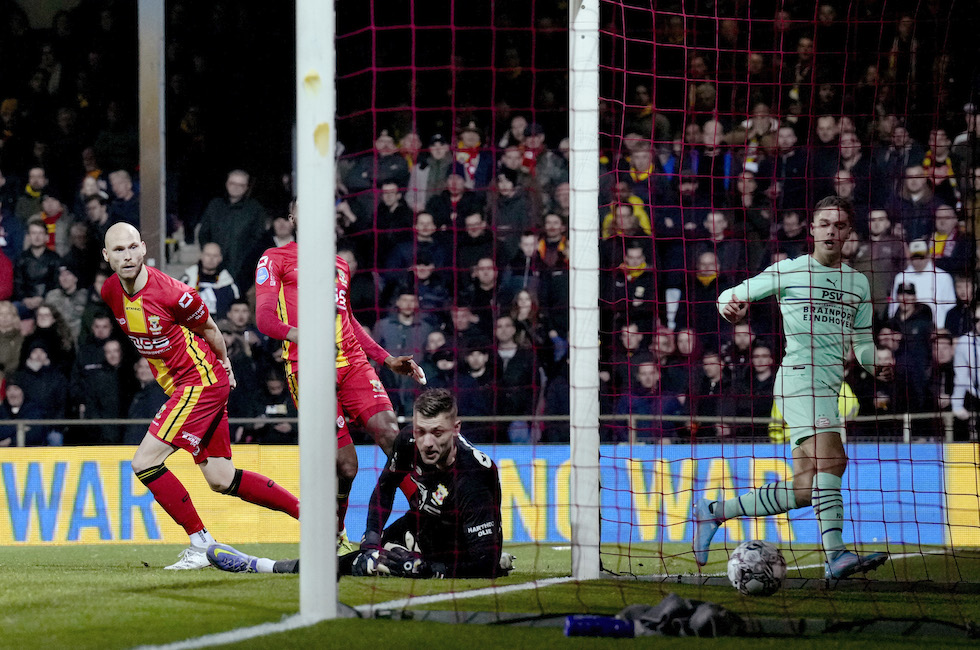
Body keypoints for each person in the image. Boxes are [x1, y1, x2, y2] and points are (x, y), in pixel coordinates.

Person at [694, 196, 890, 580]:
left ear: (849, 232)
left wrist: (876, 364)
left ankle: (714, 512)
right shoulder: (790, 270)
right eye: (824, 224)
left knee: (804, 489)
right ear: (812, 229)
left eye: (839, 225)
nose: (831, 231)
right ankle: (836, 555)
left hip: (829, 386)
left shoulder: (858, 283)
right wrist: (728, 306)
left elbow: (863, 343)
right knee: (833, 460)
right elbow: (730, 295)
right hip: (799, 379)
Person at [101, 223, 300, 570]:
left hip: (200, 383)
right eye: (119, 250)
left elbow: (210, 329)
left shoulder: (174, 294)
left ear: (144, 248)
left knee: (144, 462)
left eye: (133, 247)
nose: (128, 256)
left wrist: (225, 364)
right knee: (222, 478)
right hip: (189, 386)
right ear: (106, 256)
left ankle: (201, 542)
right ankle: (313, 517)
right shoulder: (110, 291)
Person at [254, 201, 426, 553]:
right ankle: (335, 534)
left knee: (391, 434)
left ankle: (430, 521)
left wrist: (387, 359)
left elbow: (347, 320)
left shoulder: (339, 264)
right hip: (308, 368)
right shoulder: (274, 259)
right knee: (347, 467)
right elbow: (264, 319)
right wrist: (303, 336)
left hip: (353, 364)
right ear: (292, 218)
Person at [206, 388, 511, 579]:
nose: (427, 442)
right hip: (422, 526)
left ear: (455, 429)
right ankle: (260, 565)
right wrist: (372, 538)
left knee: (369, 567)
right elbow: (385, 487)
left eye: (438, 433)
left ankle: (260, 565)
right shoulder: (409, 441)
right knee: (361, 560)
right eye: (421, 431)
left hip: (456, 548)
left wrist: (431, 569)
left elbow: (482, 564)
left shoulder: (474, 475)